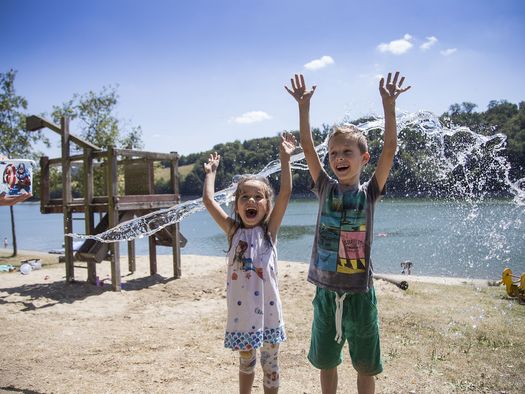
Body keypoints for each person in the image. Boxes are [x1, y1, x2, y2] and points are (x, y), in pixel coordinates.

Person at [285, 72, 411, 394]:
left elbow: (390, 150)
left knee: (365, 365)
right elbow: (308, 149)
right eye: (334, 153)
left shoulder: (369, 194)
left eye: (347, 152)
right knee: (327, 361)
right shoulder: (324, 188)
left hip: (360, 294)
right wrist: (303, 108)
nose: (338, 158)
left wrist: (388, 106)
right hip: (326, 293)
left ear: (363, 159)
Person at [202, 133, 296, 394]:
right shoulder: (233, 232)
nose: (251, 201)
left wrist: (285, 159)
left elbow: (286, 192)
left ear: (267, 206)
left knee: (271, 364)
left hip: (270, 315)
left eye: (258, 197)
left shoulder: (269, 232)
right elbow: (208, 202)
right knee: (246, 363)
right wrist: (211, 173)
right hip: (243, 316)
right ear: (236, 205)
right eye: (244, 197)